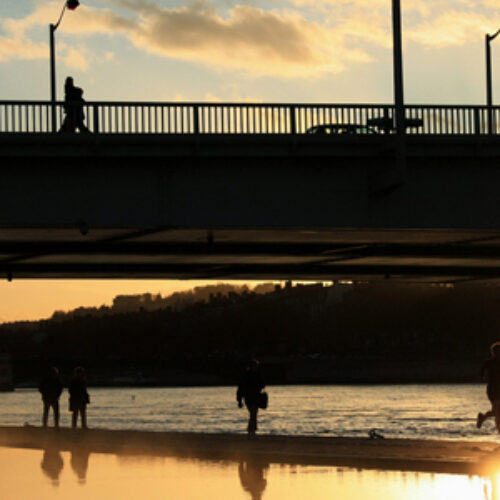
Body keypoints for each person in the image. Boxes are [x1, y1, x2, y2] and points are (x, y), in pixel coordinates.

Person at [237, 359, 265, 438]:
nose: (256, 368)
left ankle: (251, 430)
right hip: (249, 397)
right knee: (253, 413)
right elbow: (241, 389)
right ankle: (251, 430)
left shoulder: (257, 375)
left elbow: (262, 385)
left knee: (254, 414)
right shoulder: (246, 376)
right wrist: (239, 400)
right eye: (255, 366)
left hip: (255, 397)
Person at [477, 342, 500, 431]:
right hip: (493, 389)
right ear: (493, 352)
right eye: (497, 352)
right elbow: (481, 373)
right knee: (497, 410)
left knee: (497, 411)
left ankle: (483, 417)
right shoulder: (489, 362)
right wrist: (481, 378)